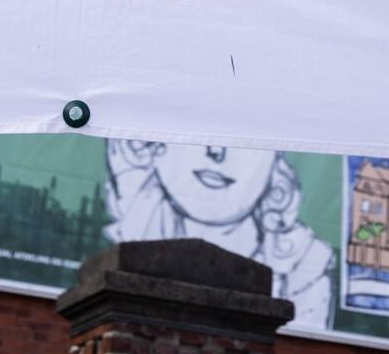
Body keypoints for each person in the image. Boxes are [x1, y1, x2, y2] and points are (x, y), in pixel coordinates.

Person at [104, 139, 334, 327]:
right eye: (198, 132)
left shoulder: (304, 269)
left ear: (275, 160)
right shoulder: (126, 238)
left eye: (244, 139)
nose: (216, 151)